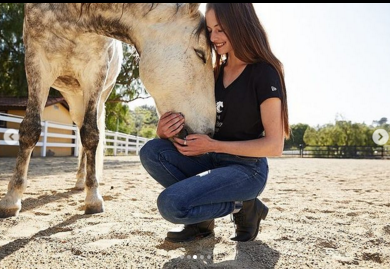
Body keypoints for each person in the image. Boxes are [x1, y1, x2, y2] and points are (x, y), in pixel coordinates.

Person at [140, 3, 289, 243]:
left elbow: (274, 145)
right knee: (152, 151)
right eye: (209, 30)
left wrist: (214, 146)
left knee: (171, 204)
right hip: (211, 160)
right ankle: (201, 225)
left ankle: (245, 206)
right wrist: (165, 131)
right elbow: (197, 127)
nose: (213, 37)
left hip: (246, 169)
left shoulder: (265, 72)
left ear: (241, 25)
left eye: (220, 29)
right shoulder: (213, 73)